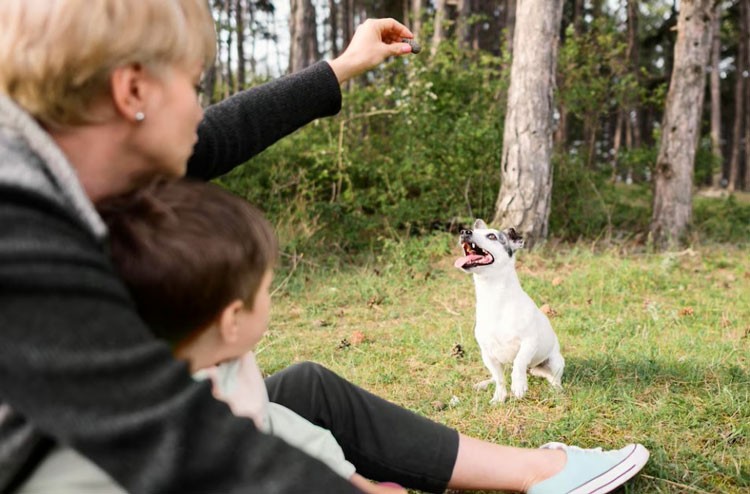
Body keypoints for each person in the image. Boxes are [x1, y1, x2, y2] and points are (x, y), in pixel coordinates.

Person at [0, 1, 649, 493]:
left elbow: (214, 138)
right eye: (196, 84)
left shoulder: (64, 154)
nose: (201, 109)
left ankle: (537, 471)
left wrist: (342, 67)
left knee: (304, 390)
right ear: (133, 91)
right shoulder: (18, 231)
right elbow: (172, 439)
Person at [17, 178, 400, 494]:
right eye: (266, 288)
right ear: (232, 318)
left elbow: (281, 429)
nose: (271, 298)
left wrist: (357, 484)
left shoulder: (227, 368)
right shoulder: (140, 432)